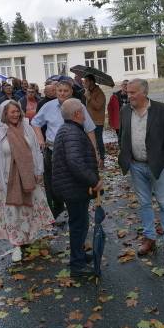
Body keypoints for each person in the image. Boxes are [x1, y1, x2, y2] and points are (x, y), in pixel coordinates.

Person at [0, 100, 54, 263]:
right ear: (4, 114)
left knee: (27, 209)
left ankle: (27, 237)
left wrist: (38, 170)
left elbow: (35, 150)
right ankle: (16, 244)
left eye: (17, 111)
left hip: (28, 177)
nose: (15, 115)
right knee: (13, 211)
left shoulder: (27, 128)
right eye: (11, 112)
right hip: (7, 179)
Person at [118, 79, 164, 260]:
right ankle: (149, 238)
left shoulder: (162, 110)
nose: (128, 96)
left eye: (132, 93)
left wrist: (163, 159)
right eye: (128, 92)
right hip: (136, 165)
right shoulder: (125, 111)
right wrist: (127, 157)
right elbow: (122, 135)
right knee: (144, 203)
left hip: (158, 166)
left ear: (144, 92)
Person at [31, 80, 97, 219]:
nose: (62, 93)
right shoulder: (48, 106)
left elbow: (90, 129)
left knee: (74, 181)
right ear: (56, 92)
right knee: (53, 183)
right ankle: (57, 211)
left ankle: (76, 210)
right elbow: (35, 122)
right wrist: (40, 139)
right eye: (59, 91)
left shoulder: (78, 106)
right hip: (52, 150)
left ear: (71, 92)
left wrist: (94, 151)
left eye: (65, 91)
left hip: (73, 151)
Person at [52, 99, 103, 277]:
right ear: (77, 114)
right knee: (79, 225)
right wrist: (94, 181)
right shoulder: (72, 132)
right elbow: (75, 162)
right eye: (83, 110)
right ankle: (77, 264)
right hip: (73, 188)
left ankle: (79, 255)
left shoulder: (68, 129)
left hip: (71, 187)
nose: (85, 113)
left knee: (79, 223)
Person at [84, 74, 107, 168]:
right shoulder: (89, 91)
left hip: (97, 121)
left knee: (98, 140)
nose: (84, 83)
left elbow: (98, 106)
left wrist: (89, 97)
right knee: (89, 141)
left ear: (91, 82)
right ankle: (92, 159)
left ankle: (102, 159)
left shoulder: (100, 93)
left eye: (86, 81)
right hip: (89, 121)